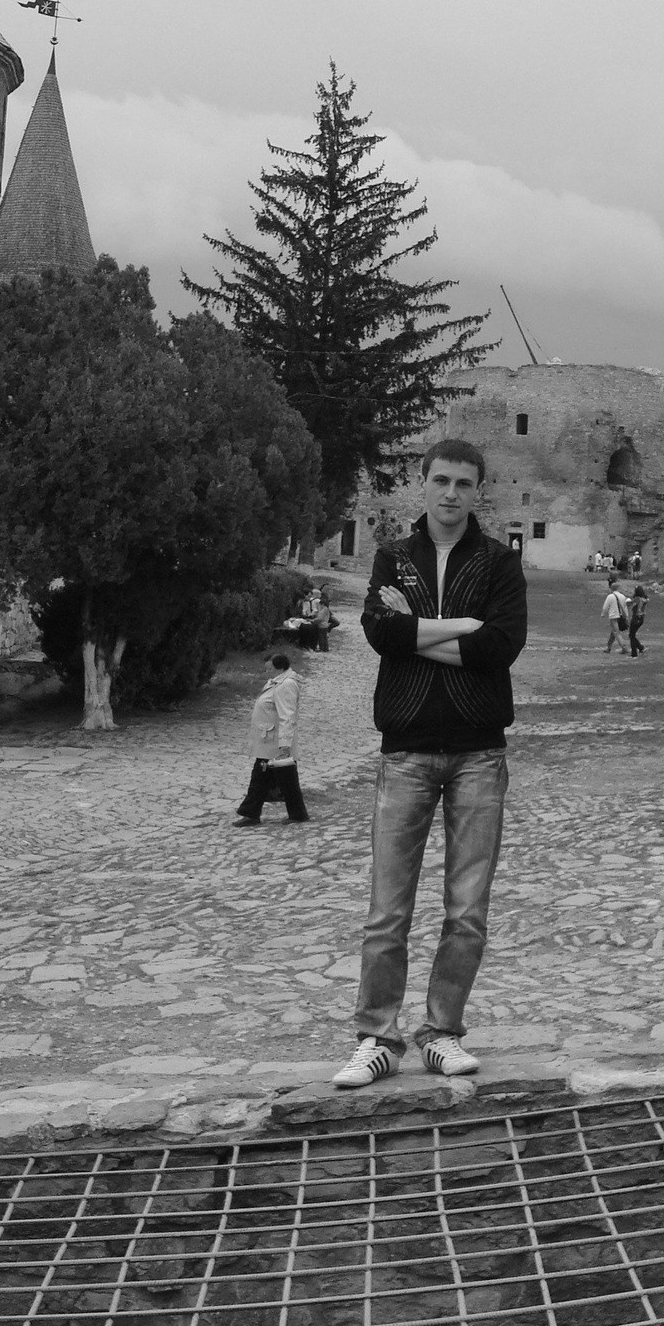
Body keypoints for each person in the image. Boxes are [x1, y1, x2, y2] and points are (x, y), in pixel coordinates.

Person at [333, 439, 527, 1089]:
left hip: (478, 751)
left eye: (463, 483)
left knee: (466, 910)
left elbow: (501, 647)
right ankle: (378, 1038)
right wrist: (461, 629)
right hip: (407, 750)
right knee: (387, 910)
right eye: (441, 480)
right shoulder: (394, 556)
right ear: (423, 484)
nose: (451, 493)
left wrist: (417, 630)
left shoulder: (499, 561)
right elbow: (379, 633)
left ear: (478, 491)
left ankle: (442, 1032)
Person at [234, 654, 308, 825]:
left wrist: (285, 743)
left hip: (276, 743)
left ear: (279, 667)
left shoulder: (286, 685)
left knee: (284, 779)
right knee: (262, 777)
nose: (267, 671)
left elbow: (287, 716)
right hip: (267, 741)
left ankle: (296, 814)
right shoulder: (275, 682)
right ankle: (252, 813)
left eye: (269, 667)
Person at [601, 580, 631, 653]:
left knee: (616, 632)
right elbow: (625, 607)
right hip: (621, 616)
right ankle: (608, 647)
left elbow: (605, 607)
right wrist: (626, 616)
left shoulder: (610, 596)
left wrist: (603, 614)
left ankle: (624, 647)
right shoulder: (623, 596)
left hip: (613, 616)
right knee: (613, 632)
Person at [628, 584, 649, 656]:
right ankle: (640, 648)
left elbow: (630, 603)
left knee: (632, 636)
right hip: (641, 618)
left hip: (636, 618)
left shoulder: (637, 599)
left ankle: (634, 653)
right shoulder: (644, 599)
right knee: (632, 635)